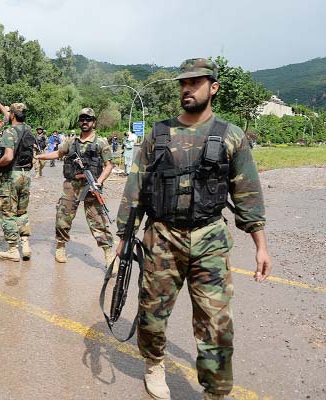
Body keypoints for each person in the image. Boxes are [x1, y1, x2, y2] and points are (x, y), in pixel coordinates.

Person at [116, 58, 272, 400]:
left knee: (216, 324)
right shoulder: (158, 134)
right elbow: (136, 187)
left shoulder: (231, 136)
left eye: (196, 83)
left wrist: (260, 245)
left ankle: (215, 391)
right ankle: (154, 363)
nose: (187, 89)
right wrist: (125, 237)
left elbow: (247, 192)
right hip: (161, 237)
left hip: (210, 238)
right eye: (183, 84)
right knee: (152, 314)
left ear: (213, 87)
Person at [36, 108, 116, 267]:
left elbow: (108, 165)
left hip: (92, 186)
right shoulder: (71, 142)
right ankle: (60, 245)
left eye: (88, 119)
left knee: (98, 220)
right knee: (63, 217)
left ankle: (108, 252)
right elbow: (58, 154)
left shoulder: (101, 142)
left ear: (94, 122)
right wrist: (39, 156)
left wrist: (99, 181)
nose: (85, 122)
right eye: (82, 119)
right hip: (72, 185)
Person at [0, 95, 34, 261]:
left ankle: (13, 250)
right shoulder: (28, 129)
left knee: (7, 212)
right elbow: (10, 116)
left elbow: (7, 157)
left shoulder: (9, 131)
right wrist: (1, 106)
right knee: (22, 211)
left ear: (13, 115)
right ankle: (25, 244)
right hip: (26, 174)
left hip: (11, 175)